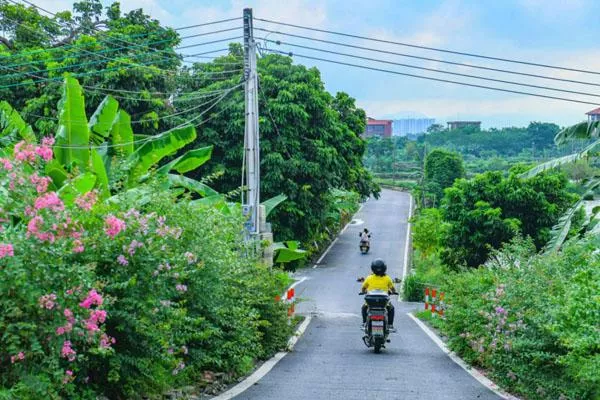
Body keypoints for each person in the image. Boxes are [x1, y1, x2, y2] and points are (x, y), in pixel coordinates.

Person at [360, 258, 397, 331]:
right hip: (384, 302)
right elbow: (393, 289)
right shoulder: (387, 278)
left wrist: (363, 291)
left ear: (372, 268)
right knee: (391, 309)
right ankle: (390, 325)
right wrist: (393, 292)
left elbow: (363, 288)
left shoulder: (369, 278)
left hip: (371, 302)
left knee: (364, 308)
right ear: (384, 268)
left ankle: (364, 323)